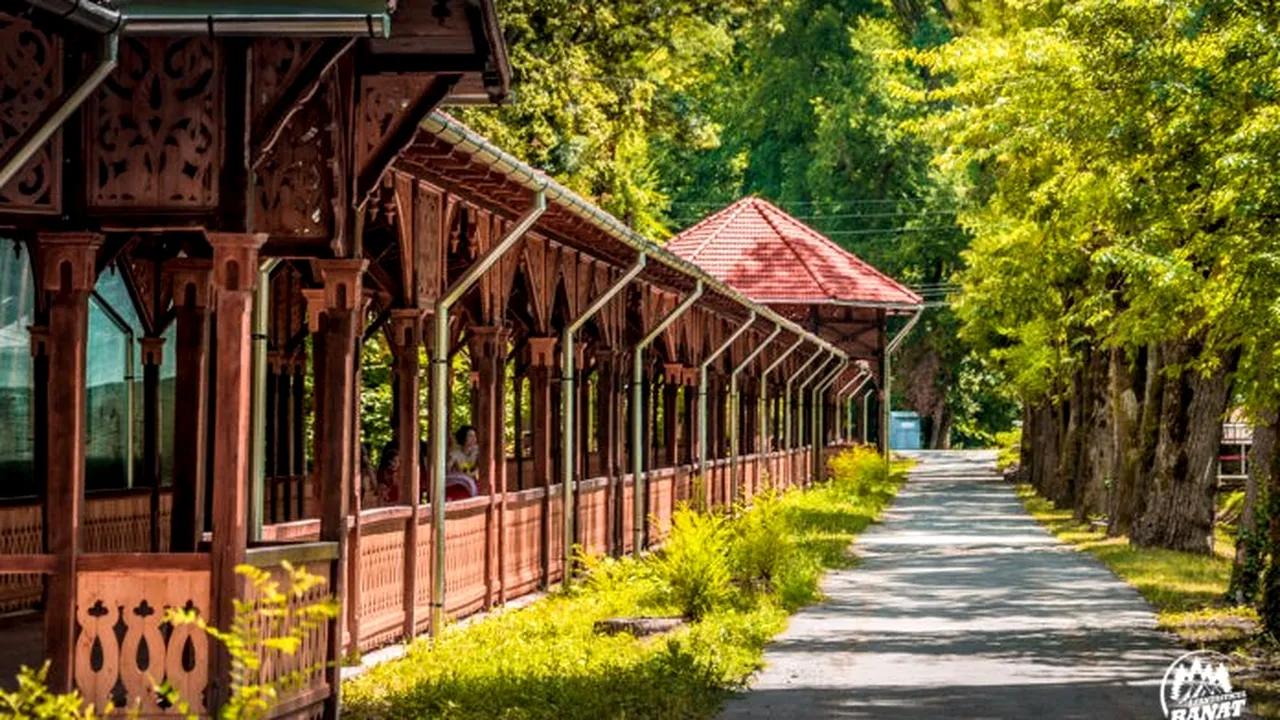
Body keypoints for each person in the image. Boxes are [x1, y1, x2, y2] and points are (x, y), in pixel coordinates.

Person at [444, 425, 480, 500]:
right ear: (463, 438)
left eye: (475, 436)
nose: (473, 439)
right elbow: (447, 470)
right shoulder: (455, 453)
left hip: (475, 483)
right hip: (460, 486)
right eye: (470, 436)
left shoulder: (478, 452)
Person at [376, 440, 400, 505]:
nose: (395, 464)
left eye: (398, 461)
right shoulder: (383, 473)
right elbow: (382, 490)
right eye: (393, 461)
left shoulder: (401, 473)